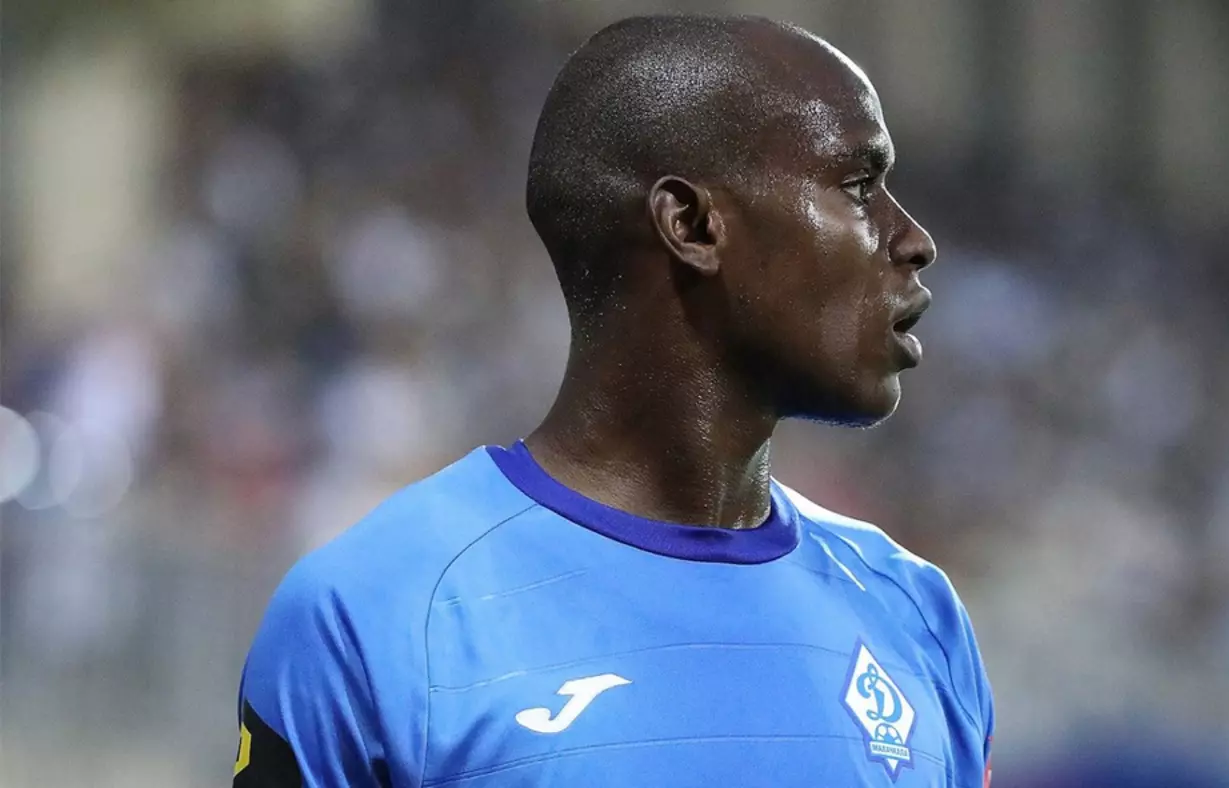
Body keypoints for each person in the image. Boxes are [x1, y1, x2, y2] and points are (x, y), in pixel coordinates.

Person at [234, 13, 994, 787]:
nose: (915, 239)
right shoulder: (376, 614)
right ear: (692, 224)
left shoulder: (918, 616)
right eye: (860, 187)